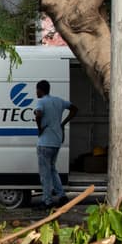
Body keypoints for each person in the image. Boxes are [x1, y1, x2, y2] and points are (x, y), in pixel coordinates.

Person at [33, 79, 78, 208]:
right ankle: (62, 196)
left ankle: (47, 201)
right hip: (56, 141)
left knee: (45, 174)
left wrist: (39, 128)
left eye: (36, 90)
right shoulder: (59, 101)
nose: (36, 92)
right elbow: (74, 109)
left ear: (40, 90)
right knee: (52, 169)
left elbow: (38, 113)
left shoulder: (41, 101)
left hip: (44, 142)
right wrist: (63, 123)